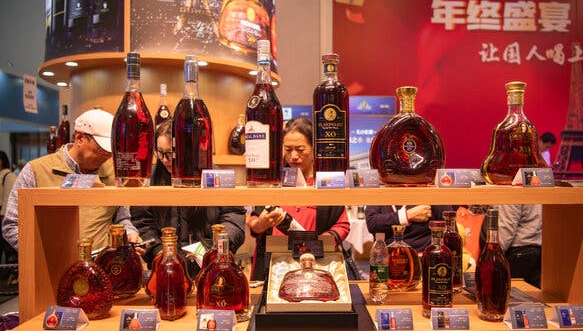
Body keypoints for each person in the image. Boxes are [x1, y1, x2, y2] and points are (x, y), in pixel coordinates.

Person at [2, 109, 142, 252]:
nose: (106, 155)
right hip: (52, 269)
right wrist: (42, 254)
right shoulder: (36, 170)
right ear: (79, 138)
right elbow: (12, 225)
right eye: (100, 150)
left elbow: (122, 219)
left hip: (102, 267)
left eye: (110, 151)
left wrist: (130, 234)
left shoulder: (113, 173)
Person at [130, 120, 246, 277]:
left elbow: (233, 220)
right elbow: (142, 223)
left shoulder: (216, 176)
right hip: (165, 270)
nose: (164, 160)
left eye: (170, 154)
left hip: (212, 267)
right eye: (160, 152)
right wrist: (161, 253)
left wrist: (213, 250)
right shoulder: (149, 180)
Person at [248, 117, 350, 279]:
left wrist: (318, 244)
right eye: (288, 149)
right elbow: (254, 224)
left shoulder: (326, 182)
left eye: (300, 149)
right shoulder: (273, 180)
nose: (293, 156)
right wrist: (262, 223)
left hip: (315, 263)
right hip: (274, 264)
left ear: (314, 149)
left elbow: (342, 225)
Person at [365, 204, 454, 252]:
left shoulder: (431, 191)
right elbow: (372, 223)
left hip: (423, 263)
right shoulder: (380, 191)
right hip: (385, 260)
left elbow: (449, 235)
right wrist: (407, 215)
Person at [497, 204, 542, 288]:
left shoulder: (512, 192)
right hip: (538, 250)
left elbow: (506, 230)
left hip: (518, 254)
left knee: (510, 297)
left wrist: (492, 257)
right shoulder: (537, 191)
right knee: (535, 297)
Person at [0, 151, 17, 263]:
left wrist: (3, 217)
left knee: (7, 249)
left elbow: (8, 198)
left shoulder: (8, 176)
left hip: (3, 216)